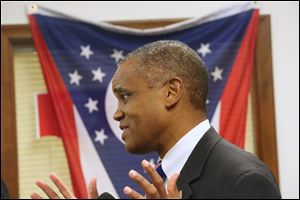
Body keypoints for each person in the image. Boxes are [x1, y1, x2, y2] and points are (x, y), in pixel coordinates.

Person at [31, 40, 281, 199]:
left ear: (171, 92)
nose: (117, 113)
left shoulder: (244, 181)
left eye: (125, 96)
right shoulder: (162, 179)